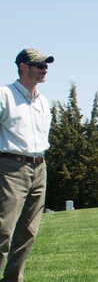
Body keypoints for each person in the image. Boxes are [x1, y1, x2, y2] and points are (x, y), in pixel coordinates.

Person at [1, 48, 54, 282]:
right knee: (3, 230)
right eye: (39, 65)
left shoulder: (44, 101)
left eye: (46, 65)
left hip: (39, 168)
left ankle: (13, 279)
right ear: (23, 67)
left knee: (29, 232)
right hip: (11, 168)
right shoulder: (4, 96)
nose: (45, 69)